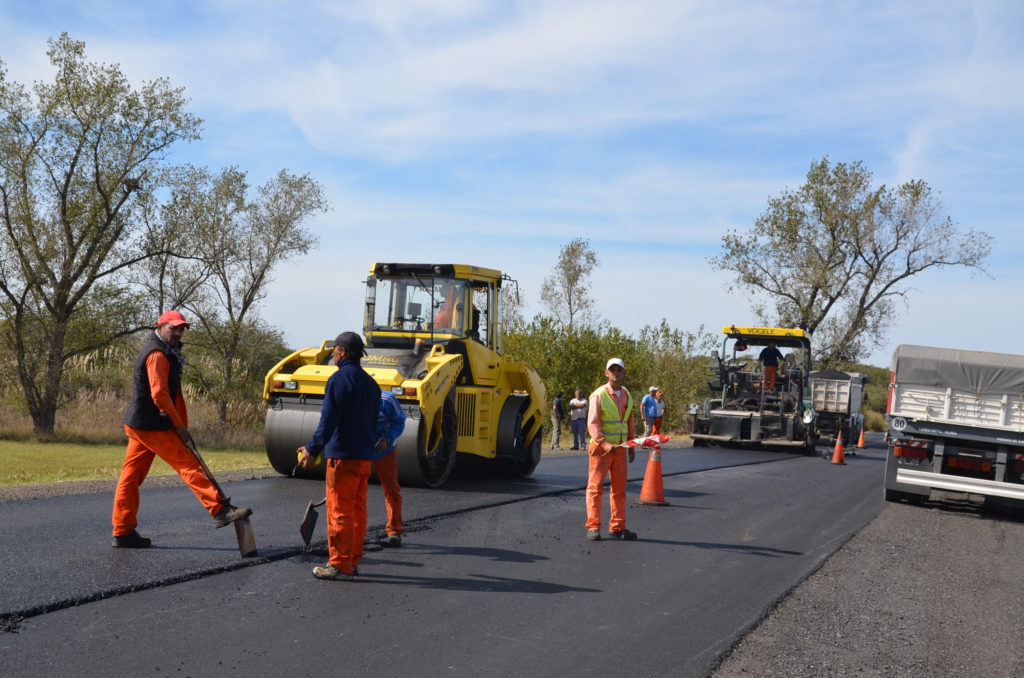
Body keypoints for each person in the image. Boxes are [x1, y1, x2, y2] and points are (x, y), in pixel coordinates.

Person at [111, 310, 251, 548]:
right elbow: (160, 394)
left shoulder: (163, 350)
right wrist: (178, 425)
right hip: (153, 424)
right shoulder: (157, 354)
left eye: (181, 328)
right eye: (173, 328)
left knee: (130, 478)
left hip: (139, 424)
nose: (177, 332)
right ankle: (219, 509)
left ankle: (123, 530)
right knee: (188, 464)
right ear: (160, 326)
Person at [297, 332, 381, 581]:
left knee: (339, 512)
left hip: (342, 458)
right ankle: (352, 559)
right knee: (357, 510)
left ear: (342, 351)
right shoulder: (371, 385)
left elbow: (329, 420)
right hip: (364, 457)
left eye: (334, 350)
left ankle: (339, 564)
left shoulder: (339, 380)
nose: (333, 354)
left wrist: (312, 448)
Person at [585, 358, 637, 541]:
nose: (615, 372)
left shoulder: (627, 395)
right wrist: (605, 444)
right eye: (612, 369)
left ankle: (617, 527)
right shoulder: (598, 395)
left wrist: (631, 444)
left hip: (620, 449)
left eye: (619, 369)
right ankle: (593, 527)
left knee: (619, 489)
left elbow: (629, 421)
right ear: (606, 373)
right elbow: (593, 424)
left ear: (624, 373)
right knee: (595, 488)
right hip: (601, 449)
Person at [373, 390, 406, 548]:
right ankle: (350, 531)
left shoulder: (387, 400)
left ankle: (394, 531)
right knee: (352, 491)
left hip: (384, 449)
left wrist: (388, 437)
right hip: (359, 449)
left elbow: (399, 422)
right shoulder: (352, 398)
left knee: (391, 487)